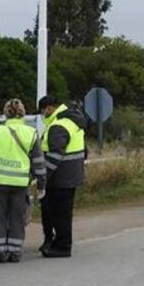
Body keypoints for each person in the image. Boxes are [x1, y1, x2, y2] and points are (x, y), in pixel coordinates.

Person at [0, 99, 46, 263]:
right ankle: (15, 252)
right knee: (18, 217)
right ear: (22, 113)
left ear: (5, 113)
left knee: (0, 217)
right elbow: (38, 162)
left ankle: (1, 252)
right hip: (20, 183)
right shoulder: (31, 133)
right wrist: (41, 184)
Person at [38, 95, 87, 258]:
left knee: (60, 214)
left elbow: (54, 156)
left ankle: (62, 246)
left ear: (50, 108)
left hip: (60, 178)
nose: (42, 114)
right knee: (64, 213)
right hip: (72, 175)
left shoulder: (58, 126)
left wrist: (43, 176)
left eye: (43, 110)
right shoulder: (72, 121)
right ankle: (60, 243)